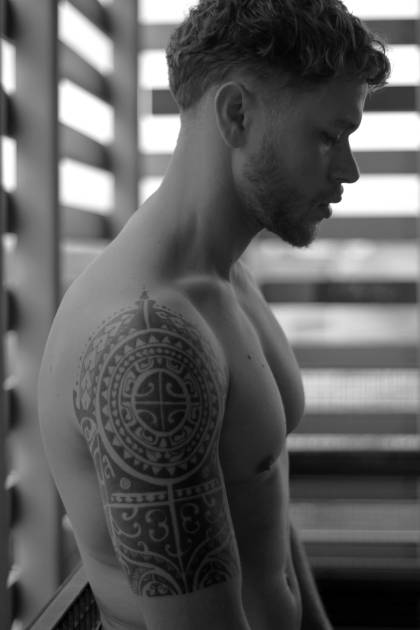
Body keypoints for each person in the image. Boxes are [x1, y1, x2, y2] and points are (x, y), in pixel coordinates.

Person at [38, 1, 390, 628]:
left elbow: (260, 496)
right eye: (328, 136)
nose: (350, 171)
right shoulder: (148, 346)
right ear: (237, 114)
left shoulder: (225, 279)